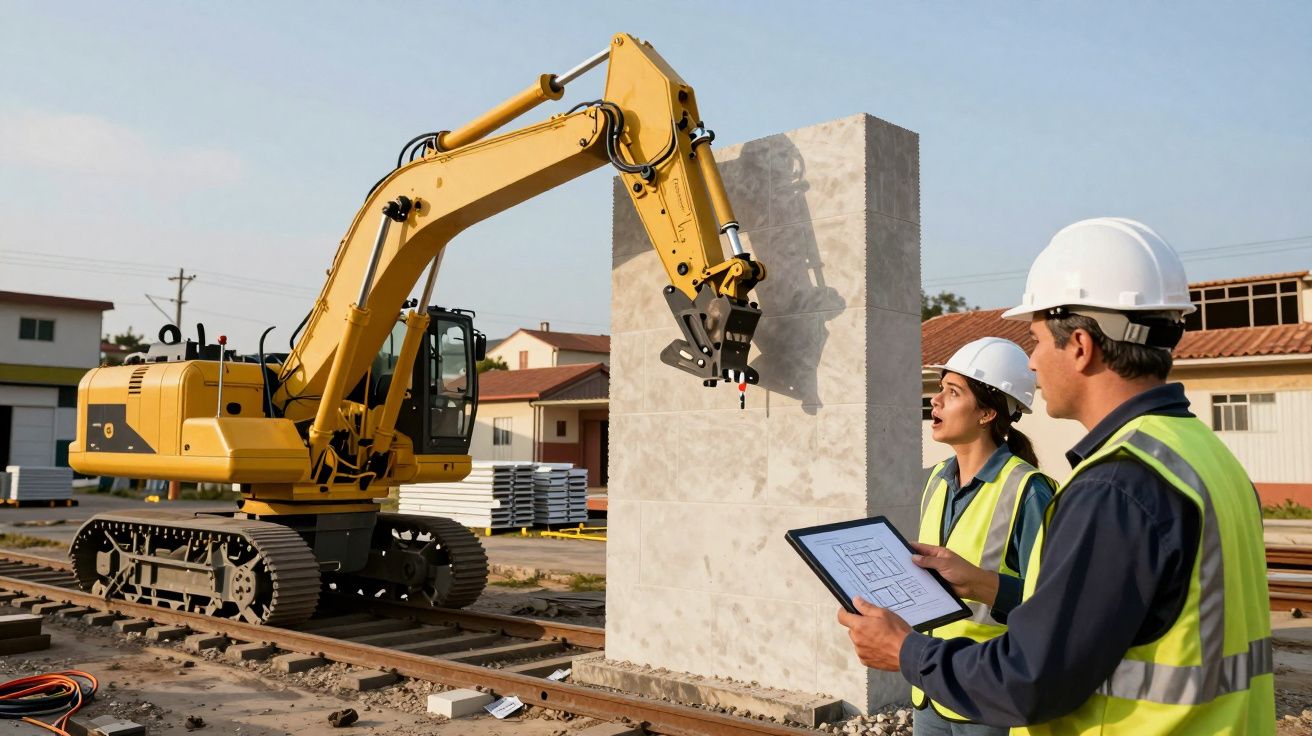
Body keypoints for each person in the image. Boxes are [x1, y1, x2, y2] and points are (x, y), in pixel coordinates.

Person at [838, 218, 1273, 734]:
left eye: (1038, 340)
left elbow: (1030, 679)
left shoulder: (1116, 487)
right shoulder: (1204, 455)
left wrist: (905, 650)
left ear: (1081, 345)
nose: (1032, 363)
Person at [914, 337, 1055, 736]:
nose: (935, 400)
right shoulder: (936, 480)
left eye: (952, 392)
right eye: (940, 388)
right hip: (930, 688)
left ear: (987, 413)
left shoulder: (1030, 491)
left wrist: (980, 583)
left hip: (989, 694)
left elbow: (1052, 604)